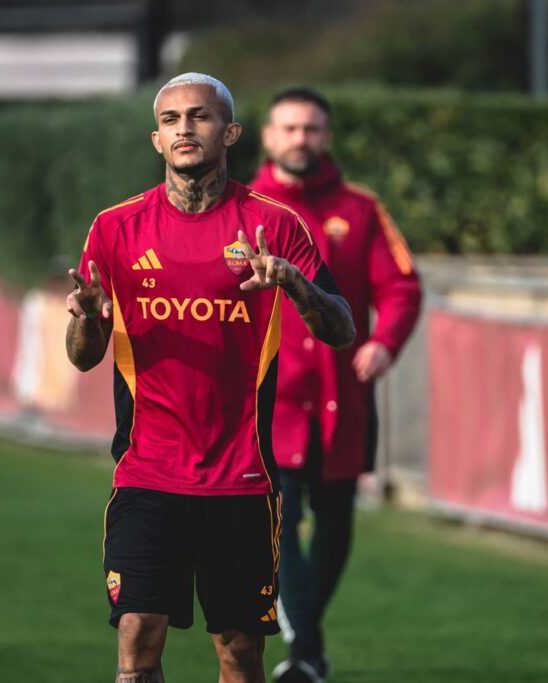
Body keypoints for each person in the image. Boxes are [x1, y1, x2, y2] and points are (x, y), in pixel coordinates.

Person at [64, 73, 356, 683]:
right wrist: (89, 318)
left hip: (242, 480)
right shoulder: (114, 230)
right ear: (155, 139)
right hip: (147, 473)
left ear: (230, 132)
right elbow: (83, 356)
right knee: (138, 636)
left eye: (198, 117)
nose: (184, 129)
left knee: (239, 651)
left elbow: (341, 327)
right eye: (171, 120)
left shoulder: (275, 225)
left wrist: (293, 284)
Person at [247, 87, 422, 683]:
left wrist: (384, 342)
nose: (302, 139)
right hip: (271, 401)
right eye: (290, 128)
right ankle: (309, 656)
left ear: (327, 136)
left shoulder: (362, 208)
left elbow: (401, 286)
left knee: (337, 525)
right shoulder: (242, 209)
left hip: (342, 398)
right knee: (281, 518)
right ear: (268, 137)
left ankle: (305, 648)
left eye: (312, 129)